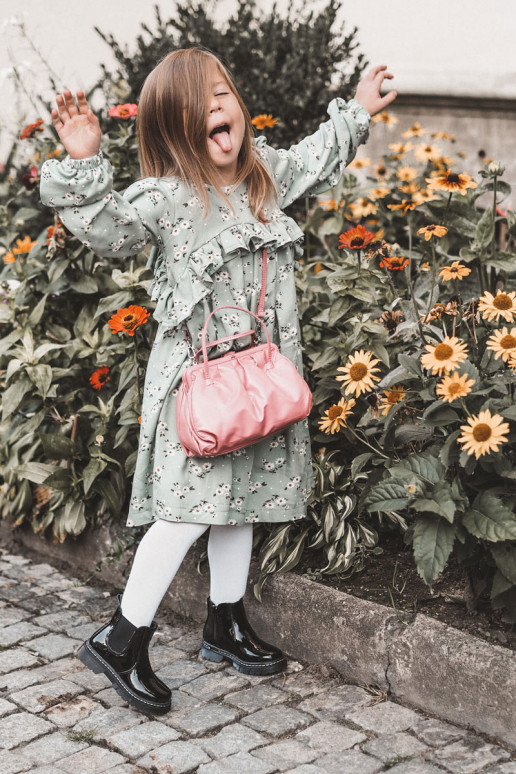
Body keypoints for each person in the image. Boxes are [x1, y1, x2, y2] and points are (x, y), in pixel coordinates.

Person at [40, 47, 396, 716]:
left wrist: (356, 108)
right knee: (183, 513)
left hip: (257, 382)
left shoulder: (264, 178)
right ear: (173, 129)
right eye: (197, 105)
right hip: (198, 390)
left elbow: (317, 155)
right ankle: (120, 640)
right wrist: (85, 162)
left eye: (222, 93)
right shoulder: (169, 198)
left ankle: (224, 623)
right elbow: (109, 230)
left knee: (246, 495)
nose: (217, 108)